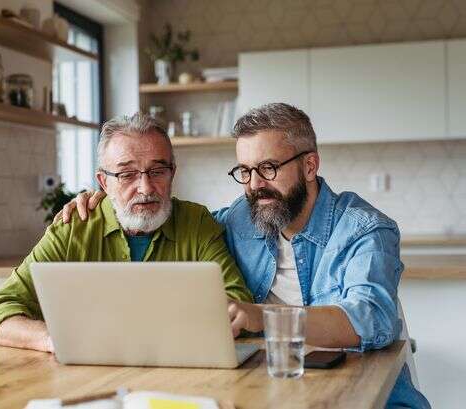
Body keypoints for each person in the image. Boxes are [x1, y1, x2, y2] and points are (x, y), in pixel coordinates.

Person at [59, 103, 430, 408]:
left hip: (369, 398)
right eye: (245, 171)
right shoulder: (242, 216)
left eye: (268, 168)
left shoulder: (365, 228)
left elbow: (370, 321)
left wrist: (261, 316)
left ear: (310, 166)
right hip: (274, 393)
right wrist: (107, 200)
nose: (255, 185)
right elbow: (175, 224)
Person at [0, 113, 252, 353]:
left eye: (157, 171)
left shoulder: (196, 222)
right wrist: (53, 340)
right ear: (103, 182)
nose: (145, 188)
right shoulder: (75, 226)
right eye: (127, 175)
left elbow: (237, 303)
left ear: (173, 173)